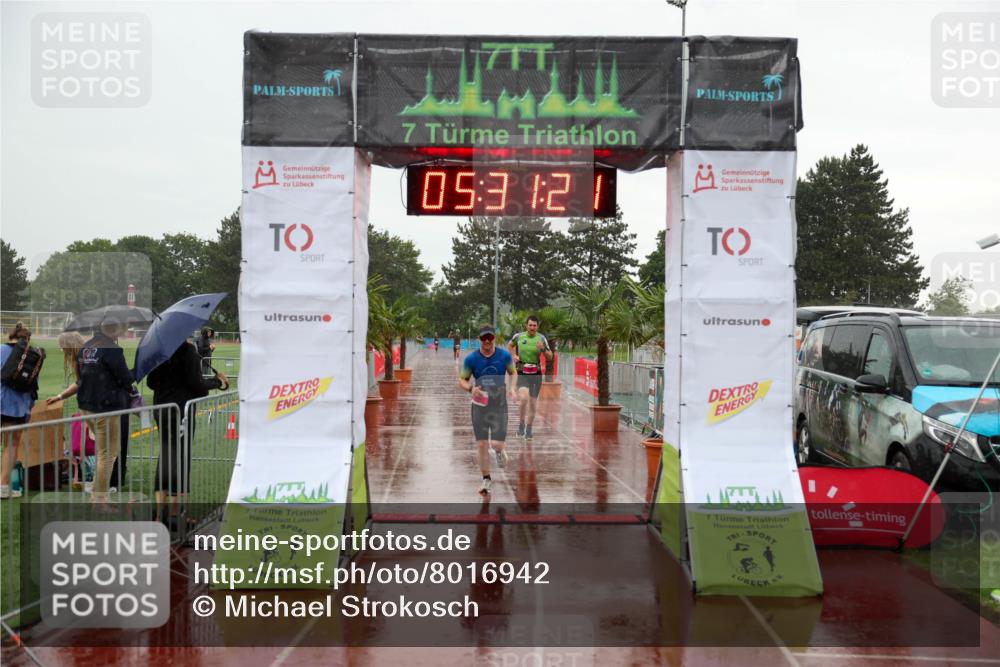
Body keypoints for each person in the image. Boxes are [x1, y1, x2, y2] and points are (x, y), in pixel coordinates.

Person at [146, 340, 227, 506]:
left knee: (167, 454)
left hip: (162, 409)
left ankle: (161, 510)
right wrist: (217, 382)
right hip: (181, 411)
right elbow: (197, 385)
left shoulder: (159, 349)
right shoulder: (188, 350)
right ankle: (176, 510)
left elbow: (151, 382)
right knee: (181, 456)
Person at [77, 317, 134, 502]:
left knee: (103, 452)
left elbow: (81, 376)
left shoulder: (86, 346)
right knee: (108, 454)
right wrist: (138, 370)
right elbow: (125, 378)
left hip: (86, 403)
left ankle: (96, 491)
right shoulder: (113, 350)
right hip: (106, 406)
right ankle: (99, 499)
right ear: (115, 330)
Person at [458, 324, 516, 496]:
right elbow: (462, 380)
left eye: (490, 337)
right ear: (479, 340)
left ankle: (499, 451)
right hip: (480, 404)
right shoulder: (471, 359)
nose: (487, 341)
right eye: (484, 338)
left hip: (499, 405)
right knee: (482, 444)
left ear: (494, 339)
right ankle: (486, 479)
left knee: (496, 444)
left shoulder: (504, 356)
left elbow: (513, 373)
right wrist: (470, 389)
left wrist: (512, 388)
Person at [1, 323, 38, 499]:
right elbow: (32, 384)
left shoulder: (0, 349)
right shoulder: (32, 355)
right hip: (16, 407)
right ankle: (3, 486)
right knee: (11, 445)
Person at [508, 315, 553, 440]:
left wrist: (543, 349)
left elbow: (550, 356)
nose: (532, 327)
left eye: (534, 325)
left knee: (533, 403)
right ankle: (521, 424)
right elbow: (510, 345)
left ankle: (529, 429)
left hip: (536, 374)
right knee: (523, 398)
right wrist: (514, 355)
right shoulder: (519, 336)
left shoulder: (541, 338)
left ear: (537, 326)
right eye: (530, 325)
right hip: (522, 372)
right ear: (526, 325)